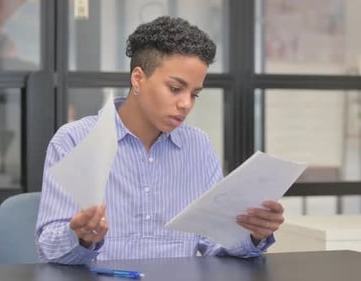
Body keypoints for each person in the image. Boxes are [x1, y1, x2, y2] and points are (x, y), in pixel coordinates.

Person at [36, 16, 285, 265]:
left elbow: (213, 242)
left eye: (194, 94)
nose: (186, 104)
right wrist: (81, 238)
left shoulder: (198, 146)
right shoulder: (73, 140)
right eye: (175, 89)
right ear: (138, 78)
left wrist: (253, 235)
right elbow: (48, 247)